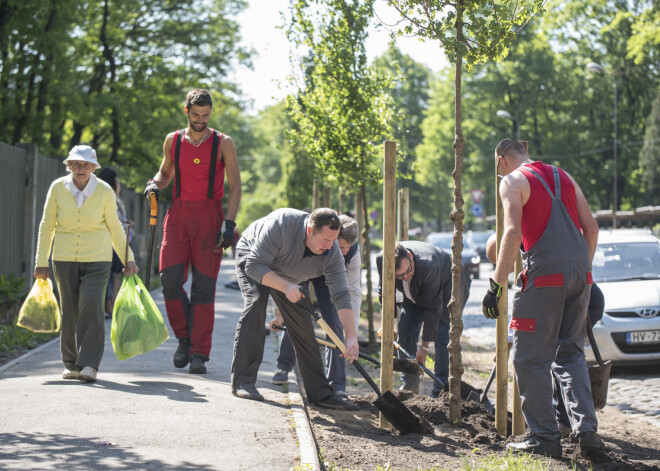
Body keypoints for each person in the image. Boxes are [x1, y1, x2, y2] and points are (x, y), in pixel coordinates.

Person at [481, 138, 603, 458]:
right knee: (571, 354)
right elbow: (591, 229)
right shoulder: (564, 176)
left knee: (530, 358)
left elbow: (511, 233)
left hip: (545, 274)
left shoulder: (512, 180)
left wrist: (496, 285)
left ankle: (545, 437)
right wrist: (582, 272)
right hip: (581, 274)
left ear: (502, 160)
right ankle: (587, 431)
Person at [144, 88, 242, 375]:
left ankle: (199, 353)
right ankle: (184, 337)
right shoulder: (172, 140)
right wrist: (154, 183)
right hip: (178, 215)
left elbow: (235, 185)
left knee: (203, 288)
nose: (201, 120)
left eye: (206, 115)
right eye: (196, 115)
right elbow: (164, 173)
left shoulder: (224, 143)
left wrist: (230, 222)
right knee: (169, 280)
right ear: (186, 111)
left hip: (210, 216)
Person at [231, 208, 359, 411]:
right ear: (309, 230)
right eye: (325, 240)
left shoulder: (331, 251)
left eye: (333, 241)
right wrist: (286, 287)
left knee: (302, 325)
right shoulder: (280, 226)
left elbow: (341, 294)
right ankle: (243, 381)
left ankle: (321, 394)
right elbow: (254, 266)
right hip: (255, 259)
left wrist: (350, 336)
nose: (329, 247)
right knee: (256, 303)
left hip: (288, 273)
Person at [34, 145, 139, 383]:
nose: (81, 168)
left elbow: (115, 227)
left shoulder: (104, 191)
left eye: (86, 164)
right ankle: (71, 364)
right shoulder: (58, 188)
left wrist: (128, 259)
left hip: (98, 257)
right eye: (77, 164)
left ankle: (90, 363)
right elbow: (47, 225)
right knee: (69, 309)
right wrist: (41, 262)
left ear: (94, 167)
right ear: (69, 165)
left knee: (91, 304)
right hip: (63, 257)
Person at [485, 233, 605, 439]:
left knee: (562, 358)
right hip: (574, 292)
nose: (502, 266)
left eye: (500, 260)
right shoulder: (529, 250)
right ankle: (574, 425)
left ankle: (563, 424)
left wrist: (512, 340)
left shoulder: (532, 253)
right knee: (564, 358)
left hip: (584, 301)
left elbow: (525, 305)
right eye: (497, 263)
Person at [272, 215, 361, 399]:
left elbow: (352, 291)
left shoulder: (352, 253)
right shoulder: (312, 242)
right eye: (341, 246)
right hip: (305, 271)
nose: (344, 252)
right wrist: (280, 312)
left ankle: (336, 385)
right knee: (296, 316)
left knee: (334, 324)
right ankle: (283, 367)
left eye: (348, 248)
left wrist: (351, 332)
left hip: (330, 279)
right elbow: (285, 278)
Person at [376, 240, 471, 397]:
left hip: (449, 285)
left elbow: (433, 309)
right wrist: (388, 323)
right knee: (405, 328)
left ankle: (441, 390)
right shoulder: (383, 258)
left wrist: (424, 347)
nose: (405, 277)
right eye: (399, 275)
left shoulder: (428, 264)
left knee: (442, 336)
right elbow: (384, 291)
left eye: (408, 271)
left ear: (411, 257)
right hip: (415, 291)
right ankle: (409, 382)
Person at [98, 166, 132, 318]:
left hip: (118, 243)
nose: (119, 184)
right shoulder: (106, 199)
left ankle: (113, 304)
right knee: (110, 275)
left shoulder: (117, 201)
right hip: (109, 243)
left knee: (116, 274)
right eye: (117, 181)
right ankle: (109, 305)